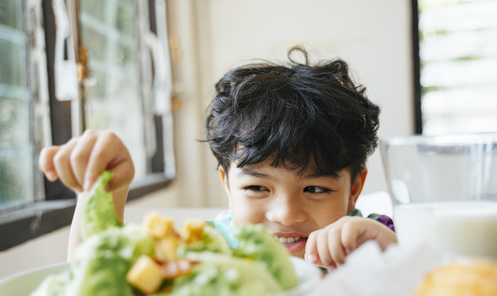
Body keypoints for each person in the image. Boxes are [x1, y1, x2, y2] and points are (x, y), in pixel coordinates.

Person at [39, 46, 396, 269]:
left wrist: (386, 256)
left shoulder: (371, 239)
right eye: (257, 187)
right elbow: (95, 277)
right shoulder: (204, 249)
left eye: (315, 189)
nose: (286, 214)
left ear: (354, 189)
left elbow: (425, 286)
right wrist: (102, 191)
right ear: (227, 184)